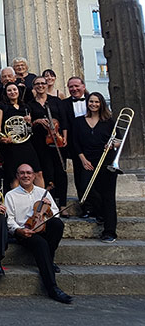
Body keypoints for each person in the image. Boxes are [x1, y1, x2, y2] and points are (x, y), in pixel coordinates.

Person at [5, 164, 71, 303]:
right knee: (41, 244)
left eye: (28, 173)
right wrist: (19, 230)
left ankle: (48, 259)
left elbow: (55, 215)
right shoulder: (10, 195)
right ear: (17, 176)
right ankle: (52, 288)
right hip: (24, 231)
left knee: (57, 224)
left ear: (34, 176)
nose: (25, 176)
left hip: (42, 227)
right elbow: (9, 220)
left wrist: (48, 211)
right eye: (22, 173)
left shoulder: (43, 193)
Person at [72, 92, 119, 242]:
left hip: (106, 160)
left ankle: (110, 231)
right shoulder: (79, 121)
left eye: (96, 102)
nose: (93, 104)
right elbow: (75, 143)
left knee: (108, 196)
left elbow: (119, 140)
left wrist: (112, 145)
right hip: (87, 161)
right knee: (86, 189)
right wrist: (83, 159)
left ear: (101, 104)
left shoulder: (109, 122)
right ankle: (101, 212)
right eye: (91, 101)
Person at [28, 76, 68, 211]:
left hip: (57, 140)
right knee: (46, 171)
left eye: (42, 83)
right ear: (33, 87)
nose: (40, 86)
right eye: (37, 84)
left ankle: (63, 203)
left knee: (61, 171)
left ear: (47, 85)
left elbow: (64, 120)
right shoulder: (30, 104)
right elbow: (28, 126)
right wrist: (36, 121)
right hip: (39, 142)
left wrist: (64, 137)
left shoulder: (55, 101)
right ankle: (48, 205)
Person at [0, 82, 44, 189]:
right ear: (5, 93)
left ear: (18, 91)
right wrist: (2, 138)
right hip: (10, 145)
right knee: (15, 176)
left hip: (25, 143)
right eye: (9, 90)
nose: (13, 92)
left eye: (14, 89)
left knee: (37, 173)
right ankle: (17, 203)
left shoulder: (25, 107)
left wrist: (29, 122)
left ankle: (42, 201)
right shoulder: (1, 106)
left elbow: (29, 129)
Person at [60, 76, 88, 204]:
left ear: (83, 86)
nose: (74, 89)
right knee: (80, 177)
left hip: (93, 143)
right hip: (75, 144)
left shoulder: (93, 100)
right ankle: (85, 206)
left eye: (77, 86)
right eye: (71, 87)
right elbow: (64, 123)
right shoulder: (64, 104)